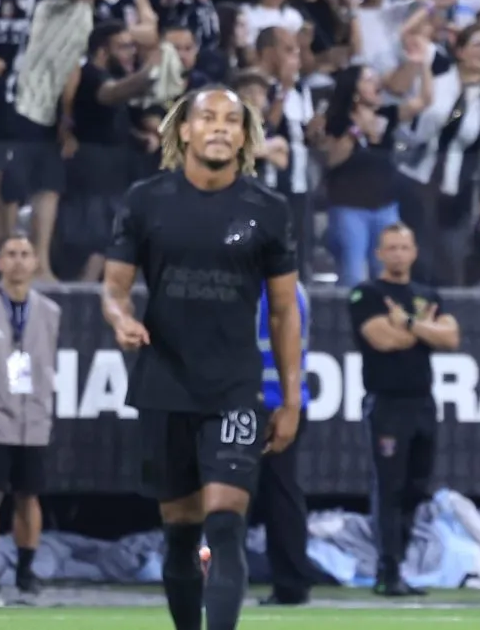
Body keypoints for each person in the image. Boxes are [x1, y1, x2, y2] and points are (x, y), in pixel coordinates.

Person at [102, 86, 302, 630]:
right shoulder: (146, 200)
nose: (219, 127)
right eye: (207, 118)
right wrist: (121, 320)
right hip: (164, 385)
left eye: (232, 121)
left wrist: (288, 398)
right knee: (182, 533)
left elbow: (285, 313)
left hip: (235, 388)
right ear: (183, 130)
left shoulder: (269, 209)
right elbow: (114, 288)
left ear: (244, 136)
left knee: (225, 523)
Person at [347, 223, 460, 596]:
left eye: (403, 247)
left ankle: (402, 567)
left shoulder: (426, 293)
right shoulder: (366, 293)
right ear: (379, 253)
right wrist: (424, 328)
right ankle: (387, 571)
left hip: (423, 403)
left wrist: (409, 322)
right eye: (390, 247)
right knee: (389, 487)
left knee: (416, 487)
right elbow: (383, 339)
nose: (397, 253)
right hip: (387, 403)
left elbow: (451, 337)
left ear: (413, 252)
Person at [0, 233, 61, 601]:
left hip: (32, 420)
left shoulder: (49, 311)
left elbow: (47, 366)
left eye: (25, 254)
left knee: (28, 496)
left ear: (35, 262)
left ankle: (25, 570)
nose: (18, 261)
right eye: (11, 254)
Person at [254, 279, 317, 606]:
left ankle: (217, 578)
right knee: (282, 492)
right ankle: (291, 582)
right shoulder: (296, 288)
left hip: (262, 402)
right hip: (289, 403)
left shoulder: (258, 289)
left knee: (231, 493)